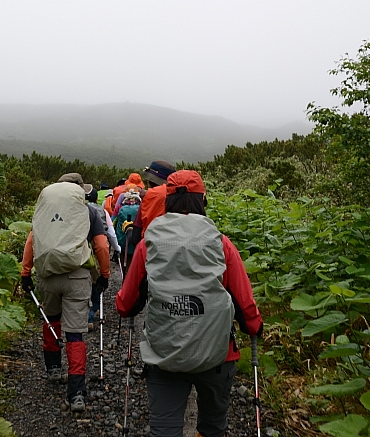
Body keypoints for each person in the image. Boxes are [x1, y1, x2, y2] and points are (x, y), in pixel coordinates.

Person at [115, 170, 263, 437]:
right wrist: (254, 326)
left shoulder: (149, 244)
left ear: (167, 200)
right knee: (213, 427)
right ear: (202, 200)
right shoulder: (221, 244)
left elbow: (126, 304)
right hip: (217, 354)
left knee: (164, 430)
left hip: (165, 354)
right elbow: (244, 301)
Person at [21, 173, 111, 412]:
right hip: (77, 276)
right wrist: (104, 275)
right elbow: (101, 246)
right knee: (74, 333)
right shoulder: (89, 211)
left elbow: (32, 241)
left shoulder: (44, 211)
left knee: (51, 319)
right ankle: (77, 393)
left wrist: (25, 272)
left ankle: (52, 370)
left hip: (48, 275)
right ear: (80, 191)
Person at [85, 185, 119, 330]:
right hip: (97, 252)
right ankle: (92, 314)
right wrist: (117, 249)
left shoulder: (76, 211)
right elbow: (110, 233)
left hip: (80, 253)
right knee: (96, 282)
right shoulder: (102, 211)